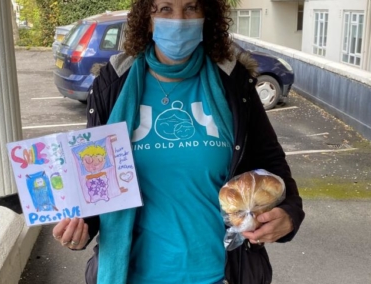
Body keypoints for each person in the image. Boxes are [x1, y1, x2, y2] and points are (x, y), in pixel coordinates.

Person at [52, 0, 305, 283]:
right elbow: (95, 178)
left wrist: (290, 214)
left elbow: (270, 161)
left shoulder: (233, 83)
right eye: (164, 9)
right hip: (132, 274)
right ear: (147, 19)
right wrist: (81, 225)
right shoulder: (113, 85)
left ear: (206, 16)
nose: (179, 19)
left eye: (191, 7)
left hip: (222, 273)